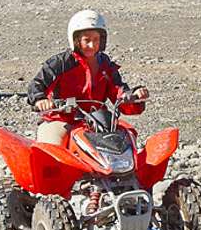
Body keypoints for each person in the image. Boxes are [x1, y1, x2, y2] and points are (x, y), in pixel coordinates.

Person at [26, 10, 148, 146]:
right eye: (86, 40)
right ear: (76, 40)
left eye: (96, 39)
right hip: (61, 119)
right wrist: (40, 100)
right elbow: (37, 84)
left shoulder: (105, 64)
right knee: (51, 150)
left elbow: (118, 91)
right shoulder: (60, 63)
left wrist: (134, 97)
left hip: (98, 120)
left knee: (128, 141)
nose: (92, 45)